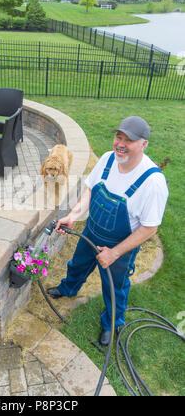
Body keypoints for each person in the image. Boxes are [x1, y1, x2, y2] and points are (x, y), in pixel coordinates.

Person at [47, 116, 169, 346]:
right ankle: (68, 289)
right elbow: (91, 191)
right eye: (118, 137)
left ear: (143, 144)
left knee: (115, 288)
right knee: (77, 264)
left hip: (120, 245)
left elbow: (150, 228)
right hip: (91, 231)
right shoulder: (107, 159)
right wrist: (74, 215)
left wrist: (114, 253)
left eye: (129, 140)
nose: (120, 144)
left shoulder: (152, 183)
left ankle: (111, 323)